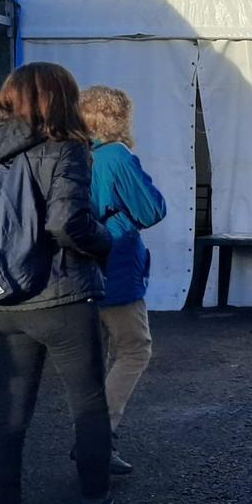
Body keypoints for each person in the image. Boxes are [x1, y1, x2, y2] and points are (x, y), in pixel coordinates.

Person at [0, 63, 141, 504]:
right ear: (60, 99)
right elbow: (68, 223)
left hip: (6, 298)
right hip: (62, 295)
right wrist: (105, 243)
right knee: (89, 410)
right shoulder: (66, 148)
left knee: (10, 417)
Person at [79, 86, 167, 475]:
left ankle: (89, 438)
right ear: (118, 118)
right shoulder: (116, 155)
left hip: (80, 270)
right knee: (134, 349)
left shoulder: (74, 155)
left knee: (92, 360)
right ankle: (98, 438)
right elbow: (151, 210)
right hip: (115, 265)